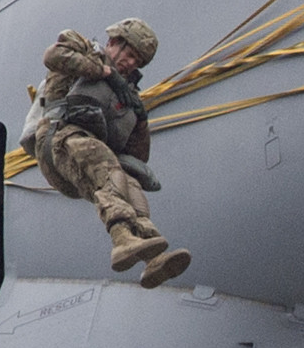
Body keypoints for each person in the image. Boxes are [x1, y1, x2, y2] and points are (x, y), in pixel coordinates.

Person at [25, 18, 189, 287]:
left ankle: (151, 253)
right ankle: (122, 239)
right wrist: (104, 73)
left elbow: (137, 156)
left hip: (86, 159)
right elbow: (53, 55)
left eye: (138, 61)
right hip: (58, 140)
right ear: (114, 42)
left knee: (130, 182)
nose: (130, 64)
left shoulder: (125, 93)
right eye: (129, 54)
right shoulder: (84, 49)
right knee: (106, 165)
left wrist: (140, 119)